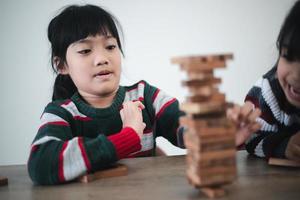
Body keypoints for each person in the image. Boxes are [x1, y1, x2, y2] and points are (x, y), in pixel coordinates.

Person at [28, 4, 261, 185]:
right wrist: (128, 136)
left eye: (110, 46)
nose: (102, 58)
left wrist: (222, 136)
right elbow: (41, 164)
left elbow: (185, 125)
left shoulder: (145, 96)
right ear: (62, 66)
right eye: (85, 50)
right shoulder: (60, 113)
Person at [234, 0, 300, 161]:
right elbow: (252, 140)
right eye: (287, 56)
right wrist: (286, 146)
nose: (297, 75)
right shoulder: (269, 92)